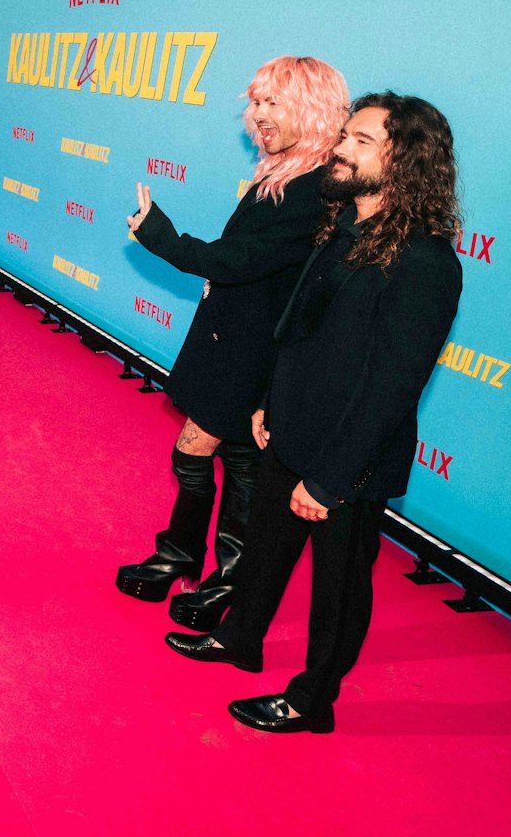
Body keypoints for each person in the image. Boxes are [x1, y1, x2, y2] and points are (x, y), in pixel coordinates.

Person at [165, 93, 464, 735]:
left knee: (338, 586)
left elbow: (392, 387)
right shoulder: (339, 230)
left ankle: (311, 700)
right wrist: (271, 401)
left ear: (406, 161)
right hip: (289, 430)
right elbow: (299, 330)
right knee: (268, 550)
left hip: (348, 461)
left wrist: (329, 478)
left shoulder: (426, 263)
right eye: (344, 137)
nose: (341, 150)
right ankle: (240, 638)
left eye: (361, 142)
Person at [117, 56, 351, 630]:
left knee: (222, 457)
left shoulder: (316, 187)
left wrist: (160, 235)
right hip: (234, 338)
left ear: (312, 107)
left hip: (257, 351)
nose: (259, 115)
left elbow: (242, 260)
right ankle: (193, 561)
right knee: (220, 456)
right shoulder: (285, 169)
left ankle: (220, 575)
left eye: (273, 103)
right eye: (256, 103)